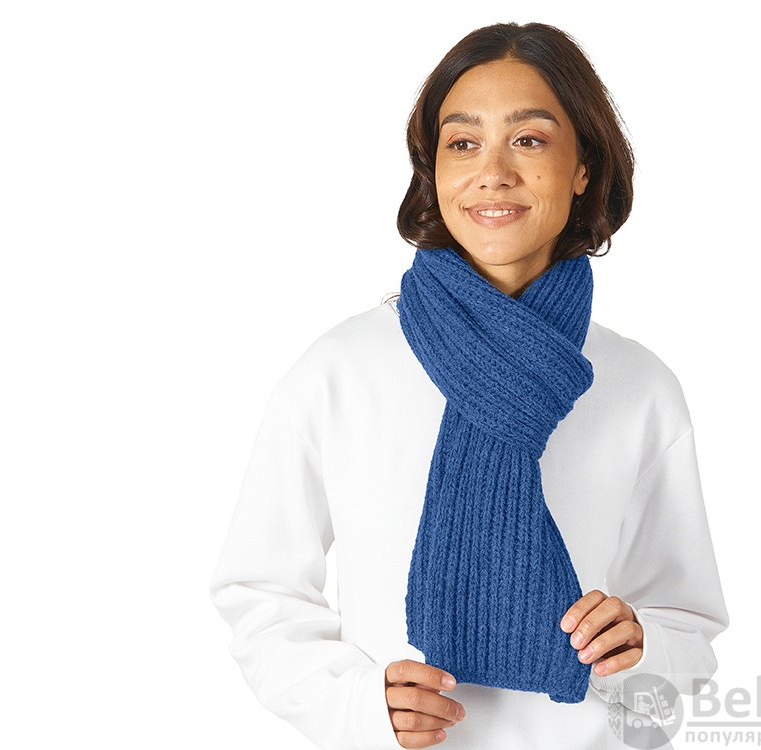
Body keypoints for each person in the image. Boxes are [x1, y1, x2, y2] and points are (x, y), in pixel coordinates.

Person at [209, 21, 728, 750]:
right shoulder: (341, 369)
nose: (493, 172)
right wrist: (354, 705)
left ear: (583, 167)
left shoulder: (640, 386)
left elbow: (688, 626)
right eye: (462, 143)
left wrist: (646, 645)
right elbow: (258, 590)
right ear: (434, 170)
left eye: (529, 140)